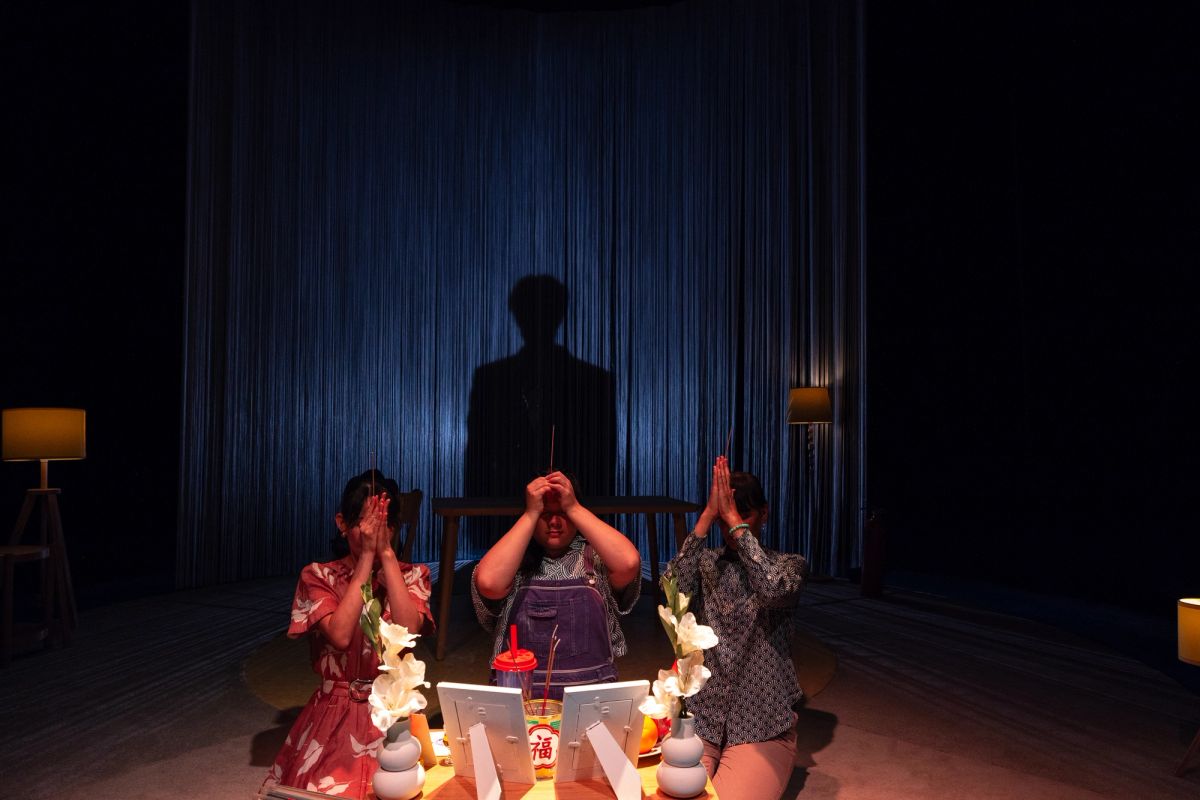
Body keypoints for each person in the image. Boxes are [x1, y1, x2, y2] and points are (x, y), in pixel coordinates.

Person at [262, 470, 434, 799]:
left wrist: (385, 554)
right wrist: (367, 558)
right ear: (341, 523)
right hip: (334, 711)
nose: (370, 532)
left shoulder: (414, 575)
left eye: (382, 525)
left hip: (391, 710)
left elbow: (410, 629)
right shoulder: (318, 576)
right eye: (361, 523)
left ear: (393, 528)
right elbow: (340, 635)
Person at [665, 455, 809, 800]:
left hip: (762, 724)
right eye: (726, 516)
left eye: (744, 514)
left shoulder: (788, 564)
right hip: (703, 717)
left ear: (765, 513)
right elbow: (672, 591)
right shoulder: (706, 564)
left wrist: (734, 522)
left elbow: (773, 591)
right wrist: (705, 518)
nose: (730, 528)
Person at [470, 470, 641, 699]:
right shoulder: (513, 560)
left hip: (590, 698)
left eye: (562, 513)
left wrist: (574, 507)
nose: (554, 522)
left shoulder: (597, 559)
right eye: (545, 514)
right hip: (520, 698)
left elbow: (629, 563)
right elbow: (489, 582)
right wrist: (531, 513)